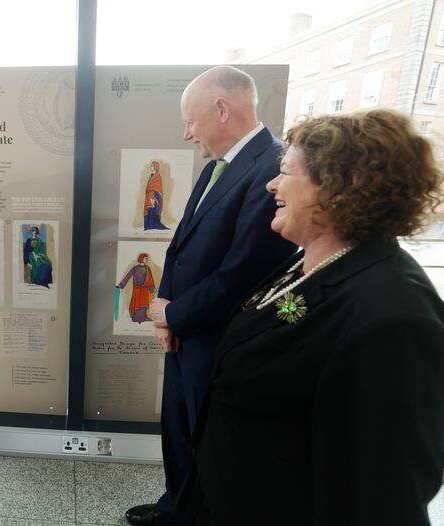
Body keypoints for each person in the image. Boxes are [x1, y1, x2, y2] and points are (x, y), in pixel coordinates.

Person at [177, 108, 444, 526]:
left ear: (344, 185)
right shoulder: (312, 263)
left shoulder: (395, 321)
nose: (271, 184)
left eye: (286, 171)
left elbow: (381, 499)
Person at [126, 66, 297, 525]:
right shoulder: (217, 168)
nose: (186, 134)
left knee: (210, 442)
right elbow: (180, 246)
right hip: (187, 331)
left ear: (222, 109)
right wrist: (165, 315)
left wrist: (176, 314)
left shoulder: (271, 168)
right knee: (179, 429)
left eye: (190, 120)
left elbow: (242, 271)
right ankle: (175, 507)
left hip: (219, 339)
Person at [117, 253, 156, 323]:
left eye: (147, 258)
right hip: (137, 289)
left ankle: (143, 317)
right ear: (141, 258)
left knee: (144, 304)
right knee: (137, 303)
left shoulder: (148, 268)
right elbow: (128, 276)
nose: (146, 260)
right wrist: (121, 285)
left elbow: (151, 280)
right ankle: (136, 318)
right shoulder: (135, 268)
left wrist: (152, 288)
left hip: (144, 290)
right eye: (145, 258)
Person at [144, 160, 170, 230]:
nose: (151, 167)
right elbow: (149, 187)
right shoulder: (151, 176)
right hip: (149, 196)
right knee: (149, 210)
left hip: (154, 197)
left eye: (152, 166)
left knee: (153, 209)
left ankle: (152, 224)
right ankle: (148, 225)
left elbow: (158, 189)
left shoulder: (158, 176)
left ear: (156, 167)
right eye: (151, 166)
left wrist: (153, 198)